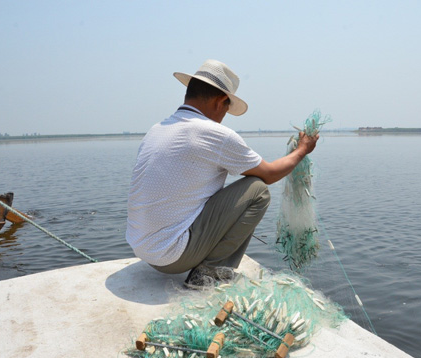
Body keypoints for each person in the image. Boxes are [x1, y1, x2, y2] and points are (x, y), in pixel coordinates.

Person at [126, 59, 319, 288]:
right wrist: (302, 150)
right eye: (227, 108)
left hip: (142, 248)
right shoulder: (214, 133)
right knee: (257, 190)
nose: (224, 115)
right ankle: (209, 275)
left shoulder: (157, 129)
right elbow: (269, 174)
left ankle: (203, 264)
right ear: (220, 102)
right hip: (171, 257)